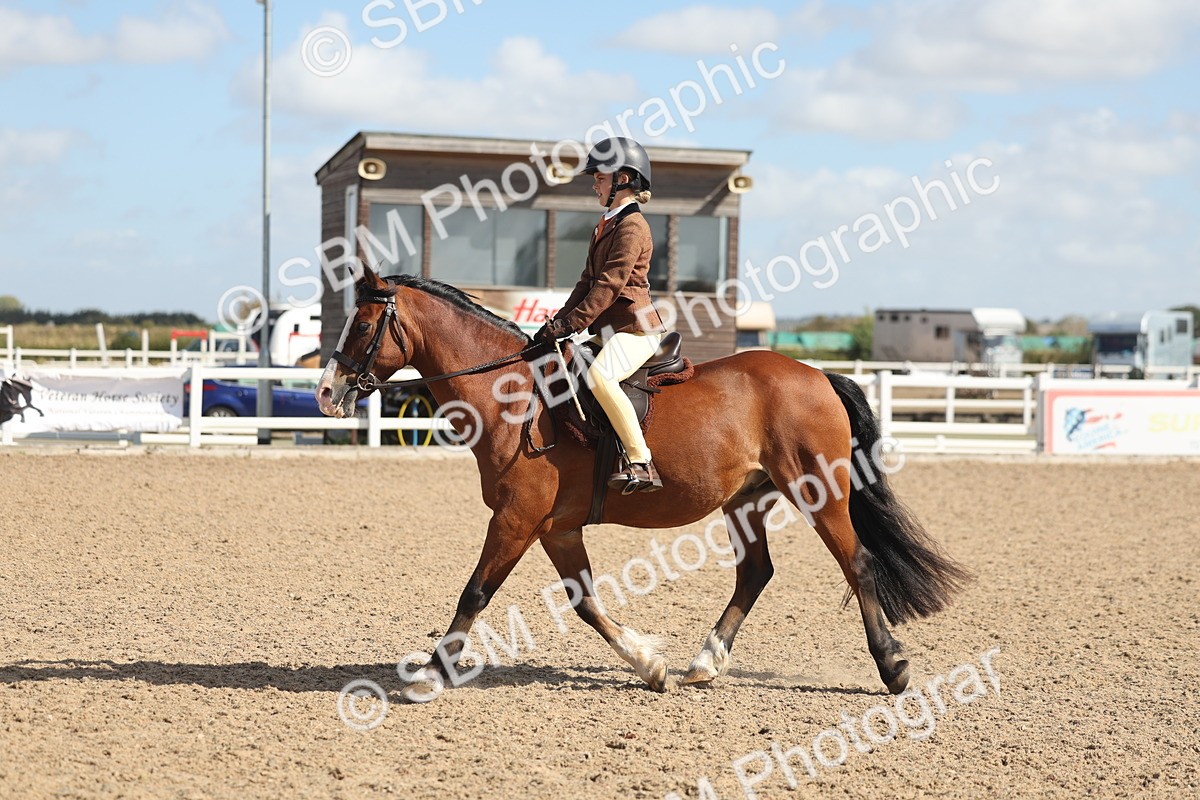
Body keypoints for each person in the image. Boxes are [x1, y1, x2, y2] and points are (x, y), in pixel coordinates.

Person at [535, 137, 667, 494]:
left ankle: (641, 462)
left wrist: (572, 324)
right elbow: (585, 283)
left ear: (623, 179)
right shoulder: (605, 223)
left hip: (635, 329)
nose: (594, 183)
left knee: (600, 379)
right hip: (609, 329)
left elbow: (609, 285)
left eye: (601, 178)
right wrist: (557, 325)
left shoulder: (632, 226)